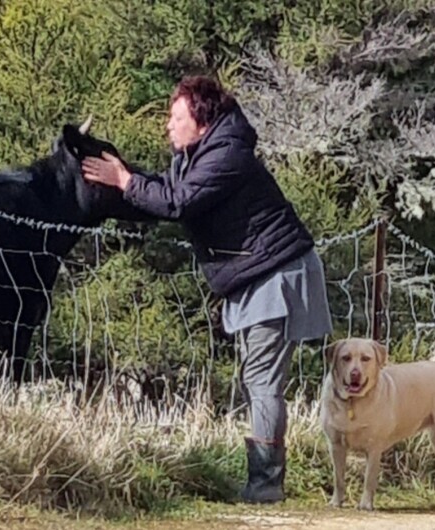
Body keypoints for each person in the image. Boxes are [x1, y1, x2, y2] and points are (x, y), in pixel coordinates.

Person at [81, 75, 333, 503]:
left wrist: (124, 181)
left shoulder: (226, 155)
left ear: (201, 119)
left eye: (176, 116)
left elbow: (178, 202)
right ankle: (264, 482)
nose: (168, 125)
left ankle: (265, 485)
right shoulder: (200, 153)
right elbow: (166, 191)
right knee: (257, 379)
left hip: (275, 275)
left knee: (261, 380)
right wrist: (118, 183)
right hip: (258, 273)